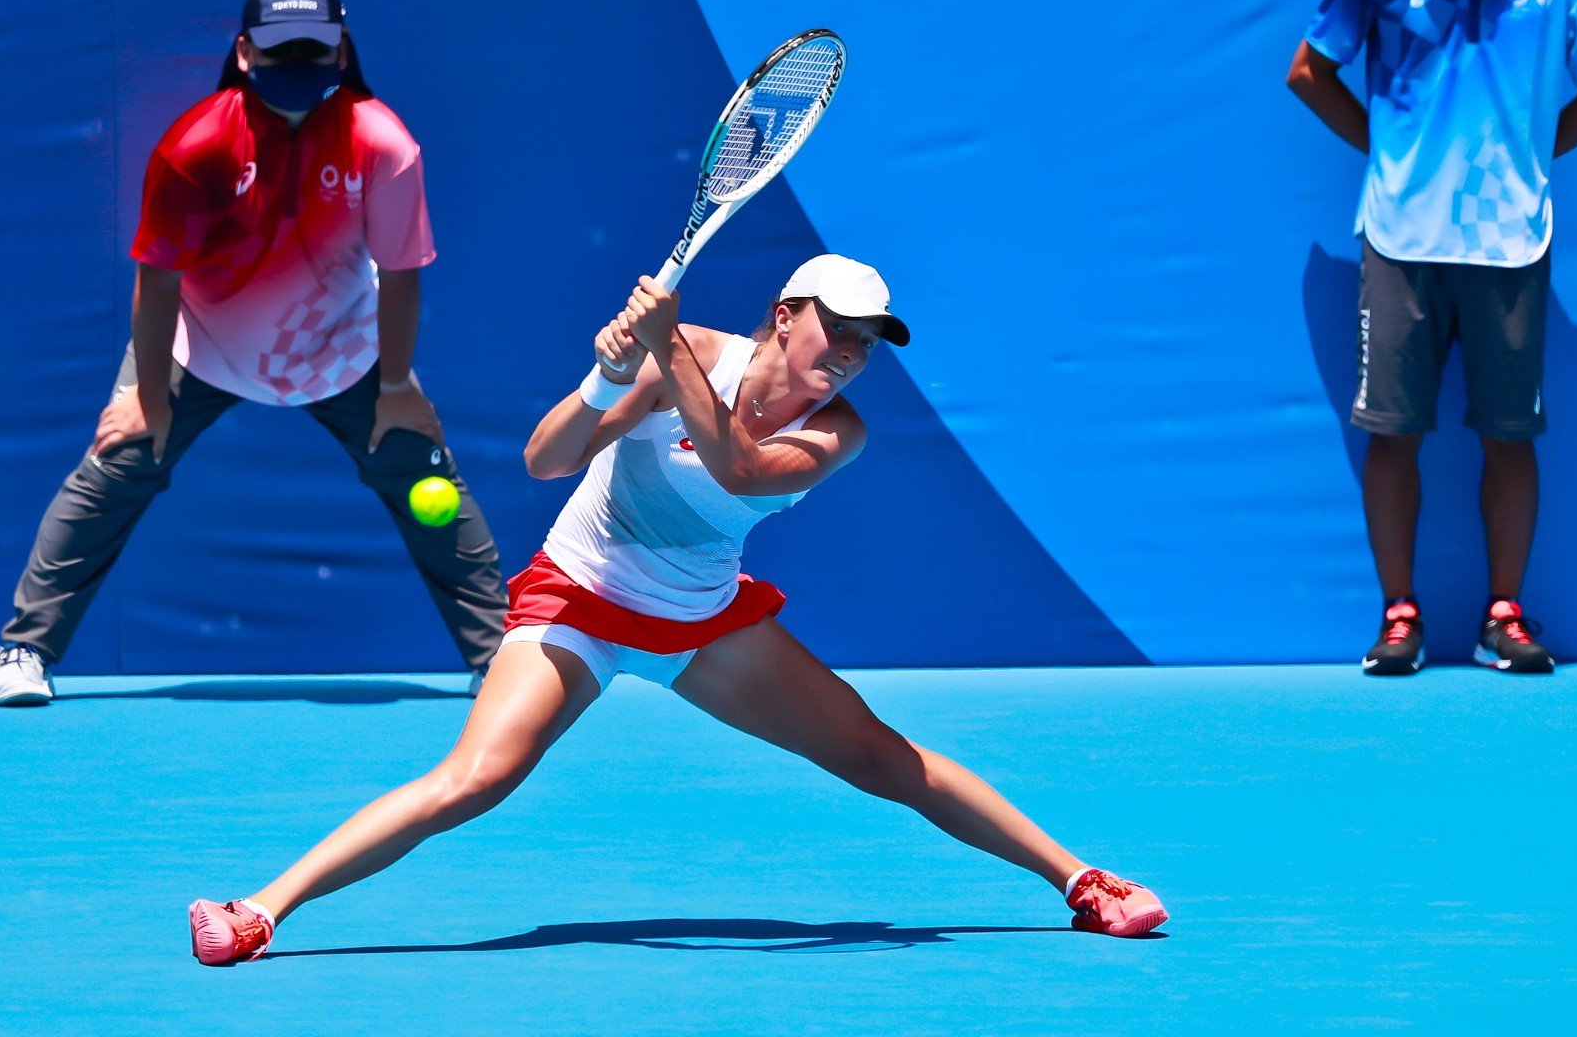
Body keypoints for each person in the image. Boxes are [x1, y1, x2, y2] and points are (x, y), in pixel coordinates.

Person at [186, 254, 1168, 963]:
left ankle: (1082, 882)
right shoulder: (682, 355)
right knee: (475, 777)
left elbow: (739, 468)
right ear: (787, 314)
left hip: (704, 621)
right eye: (841, 330)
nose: (855, 354)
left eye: (872, 342)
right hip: (582, 600)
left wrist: (664, 354)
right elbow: (546, 458)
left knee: (881, 755)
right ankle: (261, 909)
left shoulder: (841, 430)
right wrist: (612, 371)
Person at [0, 0, 507, 706]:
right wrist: (148, 398)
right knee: (117, 463)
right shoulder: (195, 148)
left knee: (426, 478)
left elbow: (400, 276)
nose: (296, 64)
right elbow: (158, 281)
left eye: (312, 50)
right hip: (202, 344)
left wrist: (394, 388)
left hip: (343, 351)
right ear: (242, 52)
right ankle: (24, 649)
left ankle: (499, 660)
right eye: (279, 50)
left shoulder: (382, 144)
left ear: (341, 51)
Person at [1286, 0, 1577, 676]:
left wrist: (1528, 153)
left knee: (1509, 435)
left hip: (1512, 240)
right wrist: (1387, 150)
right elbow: (1308, 70)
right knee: (1394, 433)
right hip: (1400, 238)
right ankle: (1400, 617)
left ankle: (1502, 615)